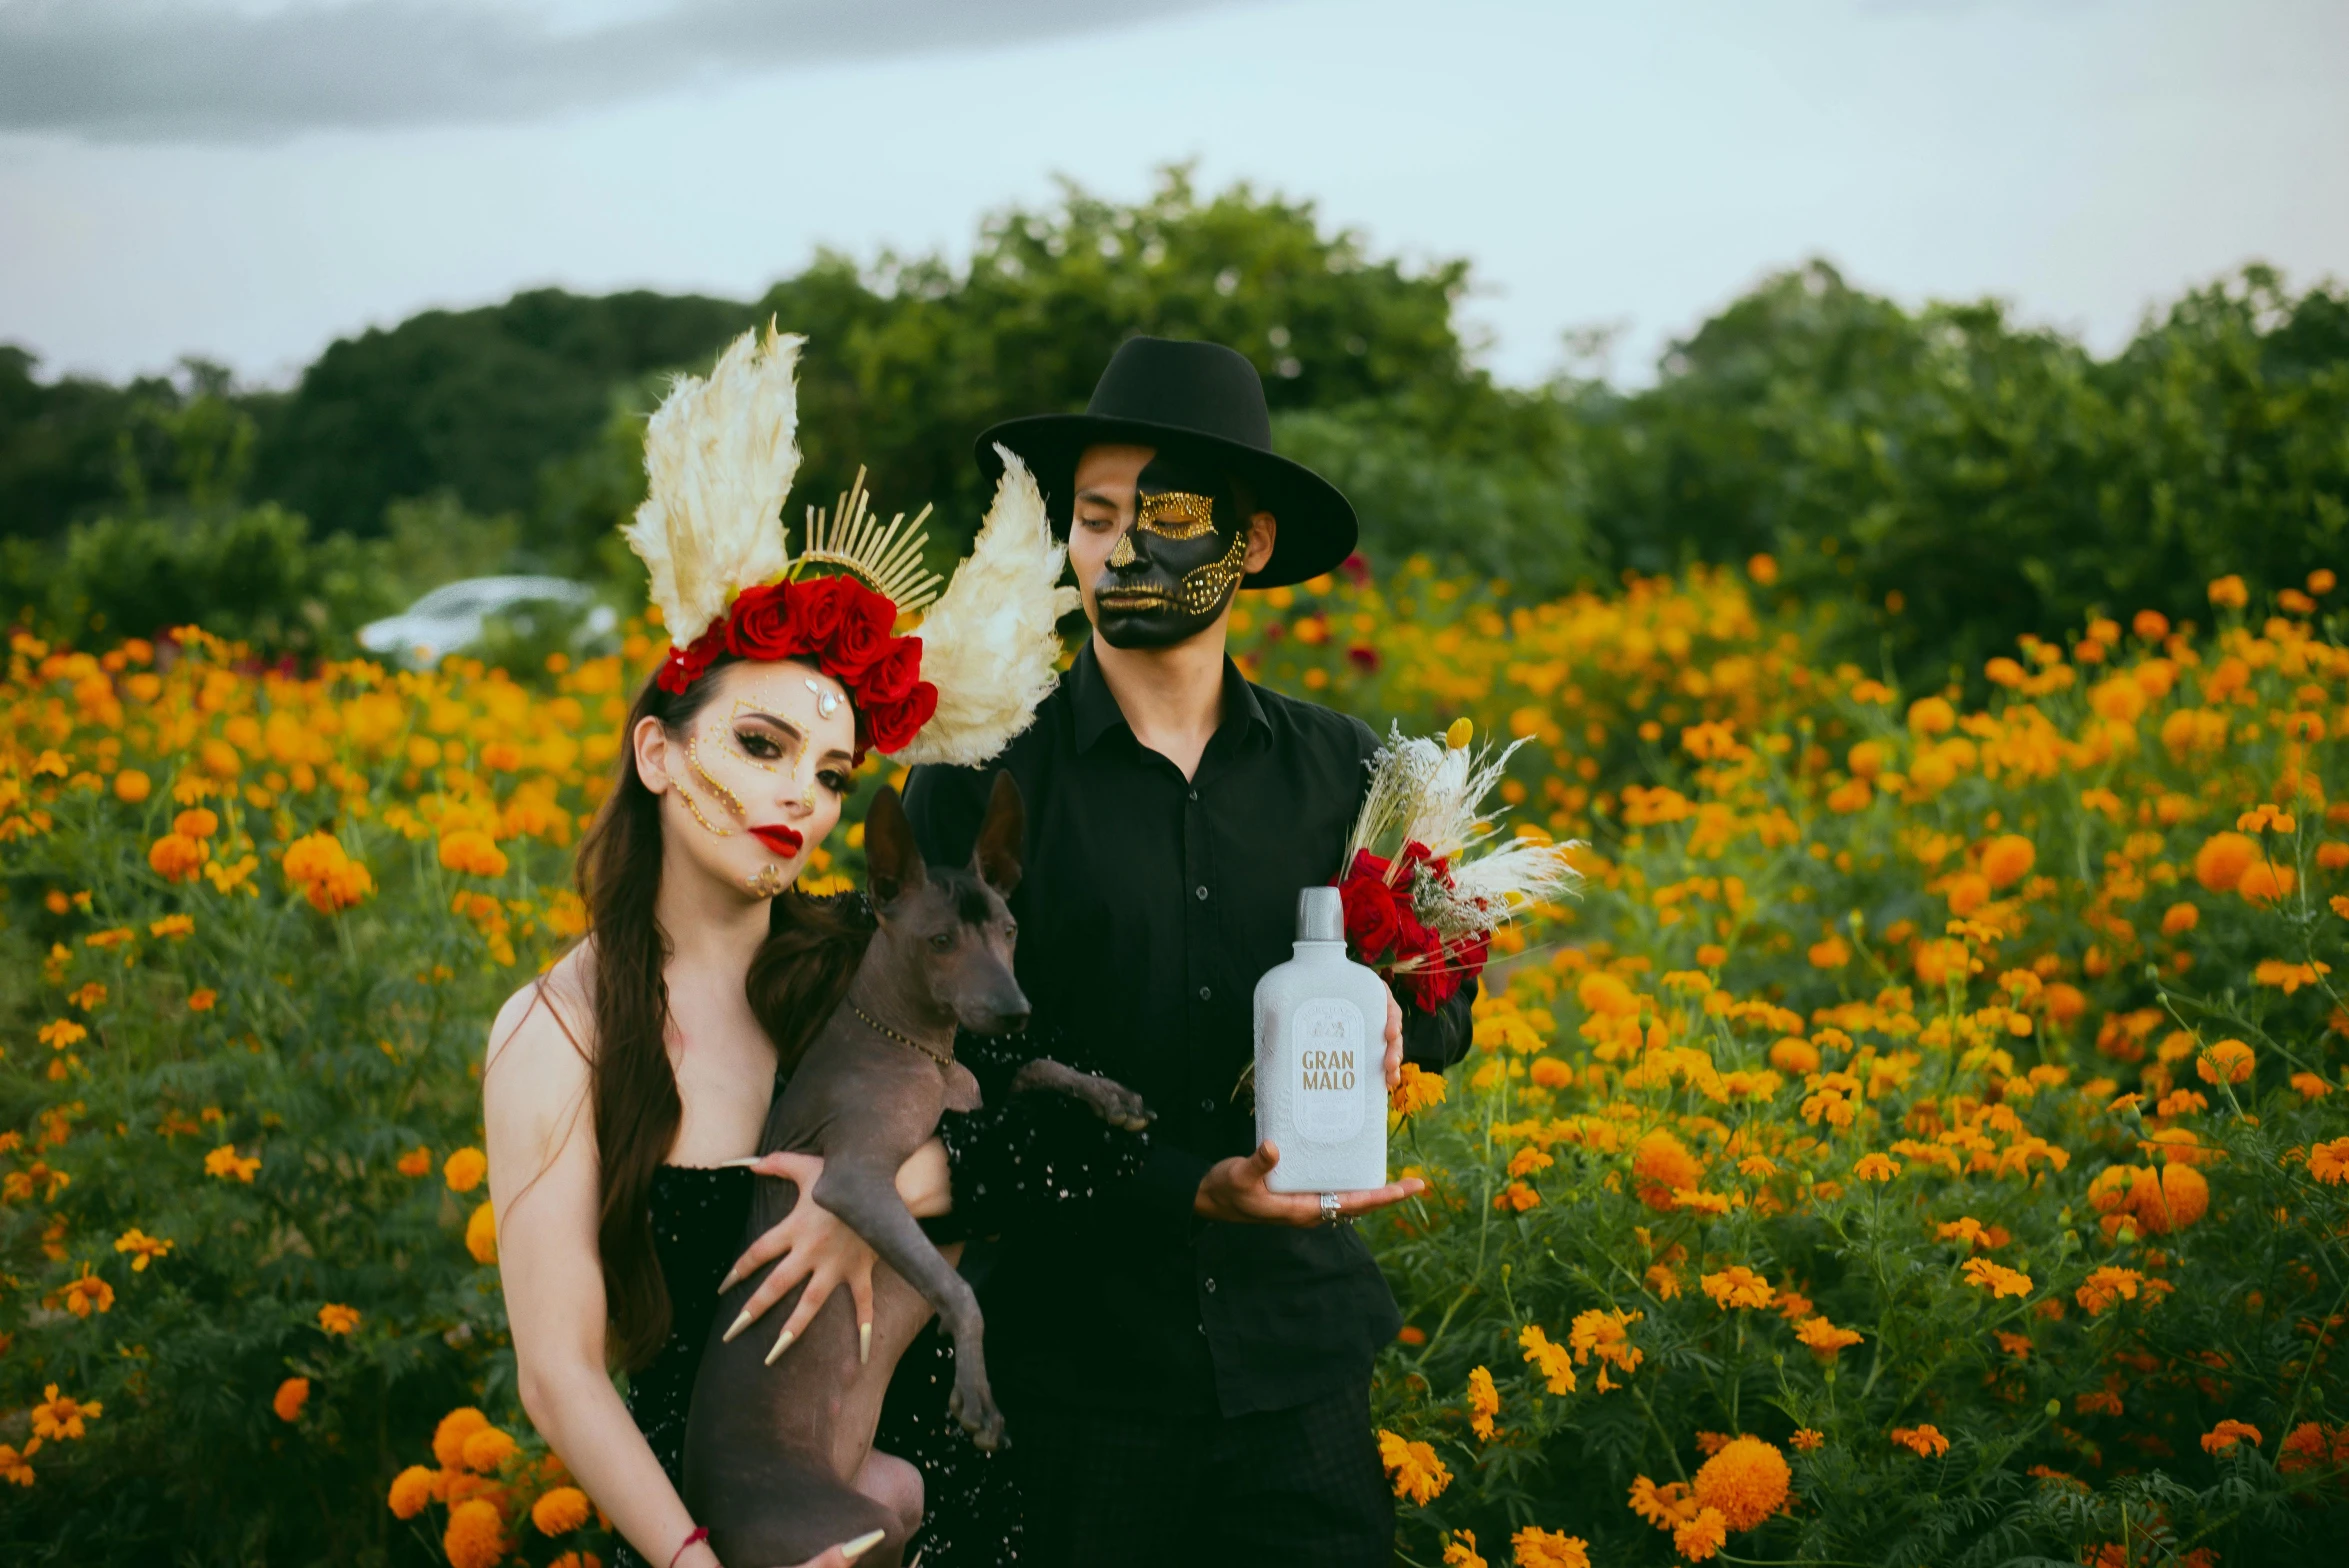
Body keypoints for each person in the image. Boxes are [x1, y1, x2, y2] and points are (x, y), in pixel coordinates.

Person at [481, 324, 1075, 1568]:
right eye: (761, 745)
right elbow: (560, 1373)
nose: (802, 792)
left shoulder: (864, 978)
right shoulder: (561, 1033)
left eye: (831, 770)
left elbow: (1050, 1149)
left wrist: (875, 1202)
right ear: (658, 753)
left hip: (939, 1503)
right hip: (725, 1537)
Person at [888, 336, 1478, 1567]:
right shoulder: (976, 780)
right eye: (1093, 517)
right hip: (1071, 1380)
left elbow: (1443, 1007)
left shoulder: (1351, 773)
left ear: (1250, 543)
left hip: (1298, 1370)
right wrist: (1181, 1186)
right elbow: (934, 1083)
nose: (1117, 549)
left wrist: (1393, 1004)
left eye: (1157, 516)